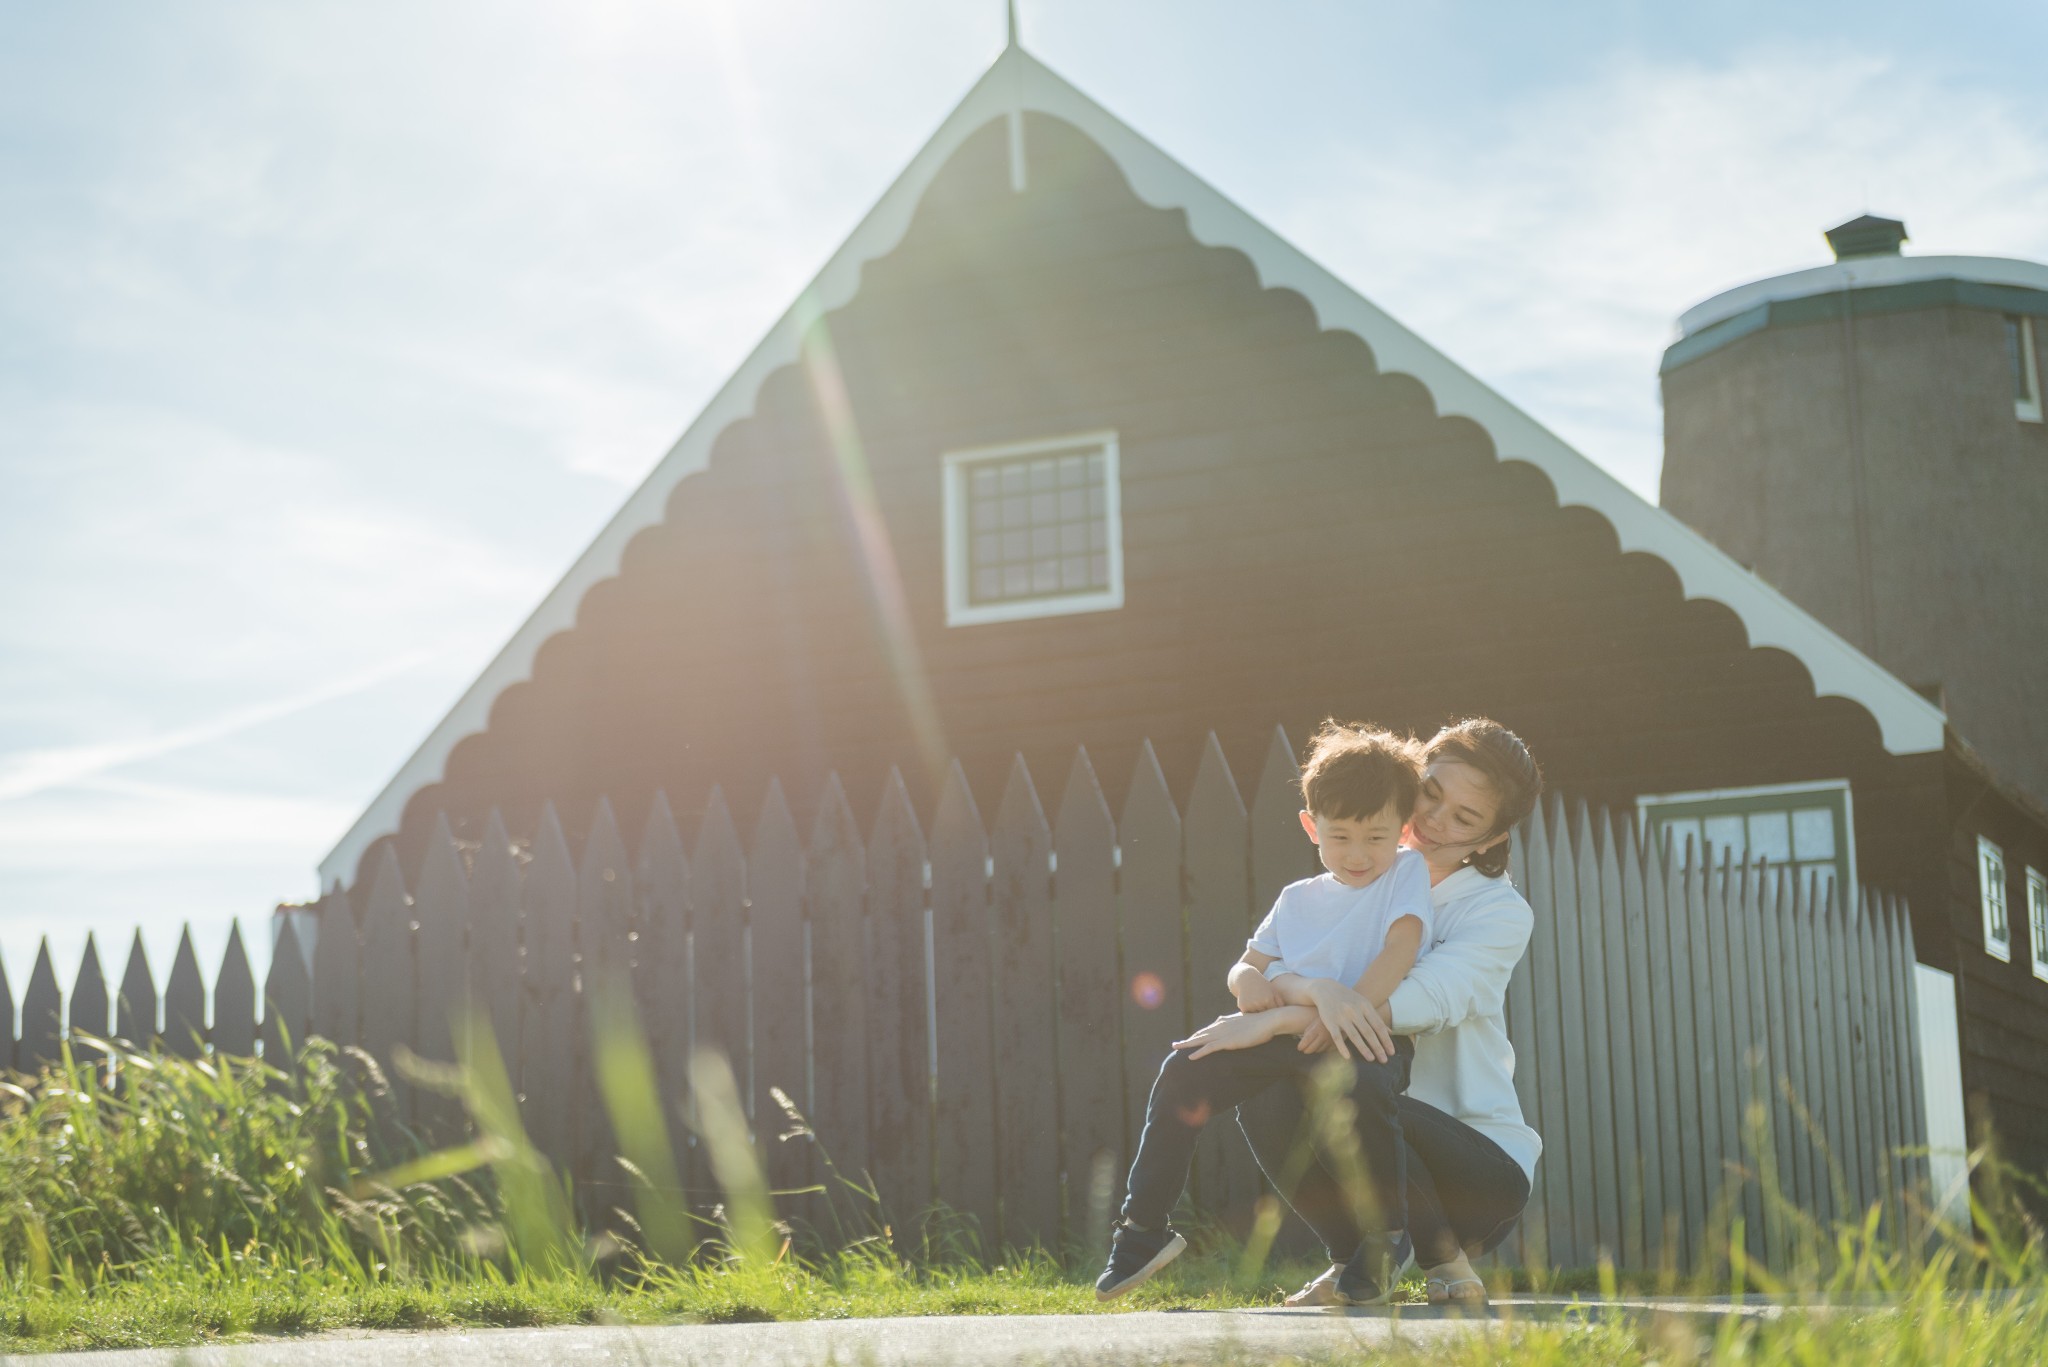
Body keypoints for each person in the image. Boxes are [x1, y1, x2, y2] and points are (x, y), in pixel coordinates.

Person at [1176, 717, 1543, 1307]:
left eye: (1465, 818)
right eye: (1431, 792)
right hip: (1370, 1125)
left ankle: (1444, 1257)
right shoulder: (1354, 871)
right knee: (1272, 1088)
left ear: (1489, 842)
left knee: (1342, 1079)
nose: (1432, 820)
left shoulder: (1498, 914)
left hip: (1475, 1172)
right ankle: (1355, 1262)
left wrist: (1277, 1018)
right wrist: (1305, 992)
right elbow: (1265, 971)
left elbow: (1418, 1002)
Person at [1094, 723, 1434, 1304]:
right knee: (1186, 1068)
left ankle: (1386, 1237)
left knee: (1366, 1090)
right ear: (1311, 826)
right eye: (1340, 836)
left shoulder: (1406, 873)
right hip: (1290, 1040)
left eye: (1375, 837)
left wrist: (1350, 1011)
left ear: (1403, 830)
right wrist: (1250, 979)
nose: (1357, 854)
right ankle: (1143, 1229)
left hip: (1369, 1037)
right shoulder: (1297, 898)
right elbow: (1245, 967)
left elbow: (1401, 949)